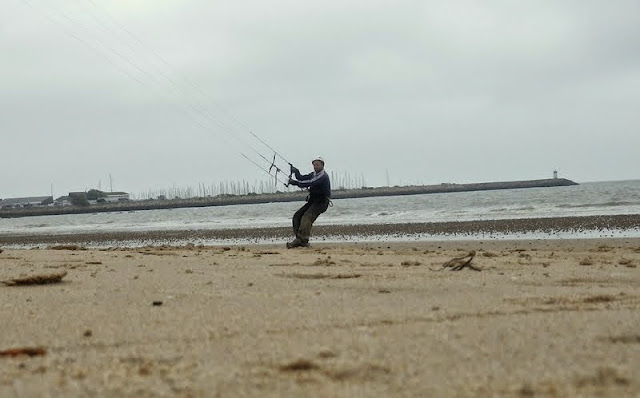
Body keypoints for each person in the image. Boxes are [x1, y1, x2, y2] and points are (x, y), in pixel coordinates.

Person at [286, 156, 331, 248]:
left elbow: (311, 183)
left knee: (306, 218)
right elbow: (302, 178)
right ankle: (300, 240)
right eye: (314, 165)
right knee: (297, 216)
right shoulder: (313, 174)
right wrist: (296, 172)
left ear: (322, 165)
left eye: (317, 165)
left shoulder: (323, 176)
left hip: (321, 202)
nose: (315, 167)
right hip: (313, 201)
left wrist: (295, 183)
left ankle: (303, 239)